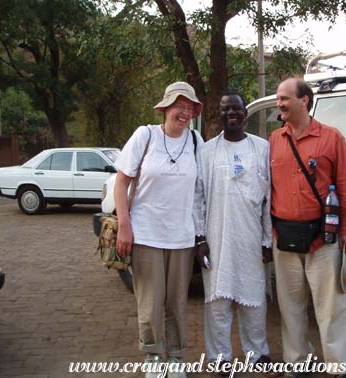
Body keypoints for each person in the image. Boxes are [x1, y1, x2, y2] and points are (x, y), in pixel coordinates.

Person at [269, 78, 346, 378]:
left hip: (323, 238)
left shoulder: (332, 138)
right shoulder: (274, 140)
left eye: (284, 98)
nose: (279, 103)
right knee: (290, 307)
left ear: (304, 100)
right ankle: (298, 362)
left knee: (332, 305)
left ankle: (342, 366)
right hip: (285, 238)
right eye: (278, 98)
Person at [114, 81, 204, 378]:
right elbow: (121, 182)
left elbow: (201, 190)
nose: (185, 112)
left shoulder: (195, 141)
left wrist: (202, 232)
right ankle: (153, 355)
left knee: (177, 302)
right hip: (146, 234)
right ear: (165, 108)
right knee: (150, 302)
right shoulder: (146, 136)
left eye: (190, 107)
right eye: (180, 105)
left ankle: (176, 357)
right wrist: (124, 226)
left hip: (182, 237)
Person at [194, 92, 278, 376]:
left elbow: (268, 199)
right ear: (219, 114)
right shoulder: (206, 151)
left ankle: (257, 352)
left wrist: (267, 240)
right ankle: (220, 357)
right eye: (225, 108)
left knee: (254, 300)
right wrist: (200, 239)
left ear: (245, 113)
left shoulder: (262, 148)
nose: (231, 113)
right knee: (217, 302)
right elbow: (198, 197)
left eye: (237, 108)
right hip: (216, 238)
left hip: (251, 237)